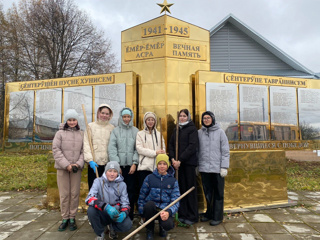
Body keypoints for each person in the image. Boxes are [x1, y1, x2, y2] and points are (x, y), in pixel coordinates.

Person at [52, 109, 84, 232]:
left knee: (74, 193)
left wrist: (78, 163)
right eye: (69, 120)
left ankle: (72, 217)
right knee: (64, 194)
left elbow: (83, 151)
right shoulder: (59, 134)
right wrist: (67, 165)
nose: (72, 122)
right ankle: (64, 218)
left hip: (76, 169)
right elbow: (56, 150)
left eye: (74, 120)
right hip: (62, 169)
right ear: (66, 120)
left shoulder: (81, 134)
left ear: (77, 120)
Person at [86, 161, 132, 240]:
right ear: (105, 171)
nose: (112, 174)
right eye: (109, 171)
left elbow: (126, 203)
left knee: (127, 224)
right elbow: (89, 199)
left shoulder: (122, 185)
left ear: (118, 173)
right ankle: (100, 233)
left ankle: (113, 228)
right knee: (91, 210)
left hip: (115, 212)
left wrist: (124, 212)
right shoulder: (98, 181)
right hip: (103, 211)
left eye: (115, 171)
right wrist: (105, 206)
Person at [198, 111, 230, 226]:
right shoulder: (199, 133)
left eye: (208, 118)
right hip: (205, 169)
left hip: (217, 170)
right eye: (204, 118)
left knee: (218, 194)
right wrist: (198, 165)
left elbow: (225, 151)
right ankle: (209, 213)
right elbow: (197, 151)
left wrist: (224, 167)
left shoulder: (220, 132)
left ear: (212, 119)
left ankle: (218, 216)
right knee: (208, 193)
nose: (206, 120)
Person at [138, 154, 180, 240]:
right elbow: (142, 196)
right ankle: (149, 229)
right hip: (152, 209)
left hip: (164, 209)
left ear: (167, 165)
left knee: (168, 225)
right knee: (149, 205)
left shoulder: (173, 181)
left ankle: (163, 227)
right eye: (160, 163)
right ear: (156, 165)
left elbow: (176, 200)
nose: (162, 166)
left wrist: (169, 211)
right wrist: (142, 212)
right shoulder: (149, 178)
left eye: (164, 164)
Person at [169, 109, 199, 225]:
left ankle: (192, 216)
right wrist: (172, 159)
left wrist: (180, 160)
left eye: (184, 116)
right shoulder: (176, 129)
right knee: (180, 189)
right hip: (177, 165)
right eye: (180, 116)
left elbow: (192, 147)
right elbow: (171, 144)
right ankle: (182, 213)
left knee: (189, 189)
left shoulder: (192, 129)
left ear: (188, 117)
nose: (182, 118)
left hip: (188, 164)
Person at [108, 107, 139, 220]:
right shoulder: (116, 131)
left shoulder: (135, 131)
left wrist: (135, 163)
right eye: (124, 117)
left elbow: (137, 149)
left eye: (128, 117)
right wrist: (117, 166)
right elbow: (112, 148)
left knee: (130, 190)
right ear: (121, 117)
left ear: (131, 118)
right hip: (119, 168)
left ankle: (129, 215)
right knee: (118, 191)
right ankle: (118, 213)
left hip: (131, 167)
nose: (126, 119)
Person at [84, 104, 115, 190]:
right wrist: (90, 160)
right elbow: (86, 144)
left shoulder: (111, 128)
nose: (104, 115)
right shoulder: (91, 126)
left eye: (107, 114)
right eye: (102, 113)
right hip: (94, 164)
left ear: (110, 115)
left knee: (106, 189)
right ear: (98, 113)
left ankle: (106, 204)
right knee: (94, 189)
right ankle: (94, 203)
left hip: (107, 164)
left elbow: (114, 146)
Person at [136, 112, 165, 190]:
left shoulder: (159, 134)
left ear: (155, 121)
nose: (150, 122)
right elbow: (139, 149)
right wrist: (155, 153)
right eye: (148, 120)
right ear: (145, 121)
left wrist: (161, 154)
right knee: (144, 190)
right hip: (144, 167)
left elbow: (163, 149)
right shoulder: (140, 134)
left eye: (152, 120)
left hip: (156, 167)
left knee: (155, 190)